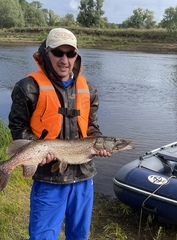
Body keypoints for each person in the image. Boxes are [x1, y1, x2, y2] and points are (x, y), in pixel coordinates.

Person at [8, 27, 111, 240]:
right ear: (47, 52)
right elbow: (18, 127)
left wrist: (98, 144)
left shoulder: (89, 89)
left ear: (76, 56)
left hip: (83, 176)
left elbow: (92, 126)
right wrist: (37, 151)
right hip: (49, 179)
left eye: (70, 54)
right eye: (58, 53)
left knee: (79, 235)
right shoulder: (28, 87)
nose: (64, 60)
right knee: (42, 236)